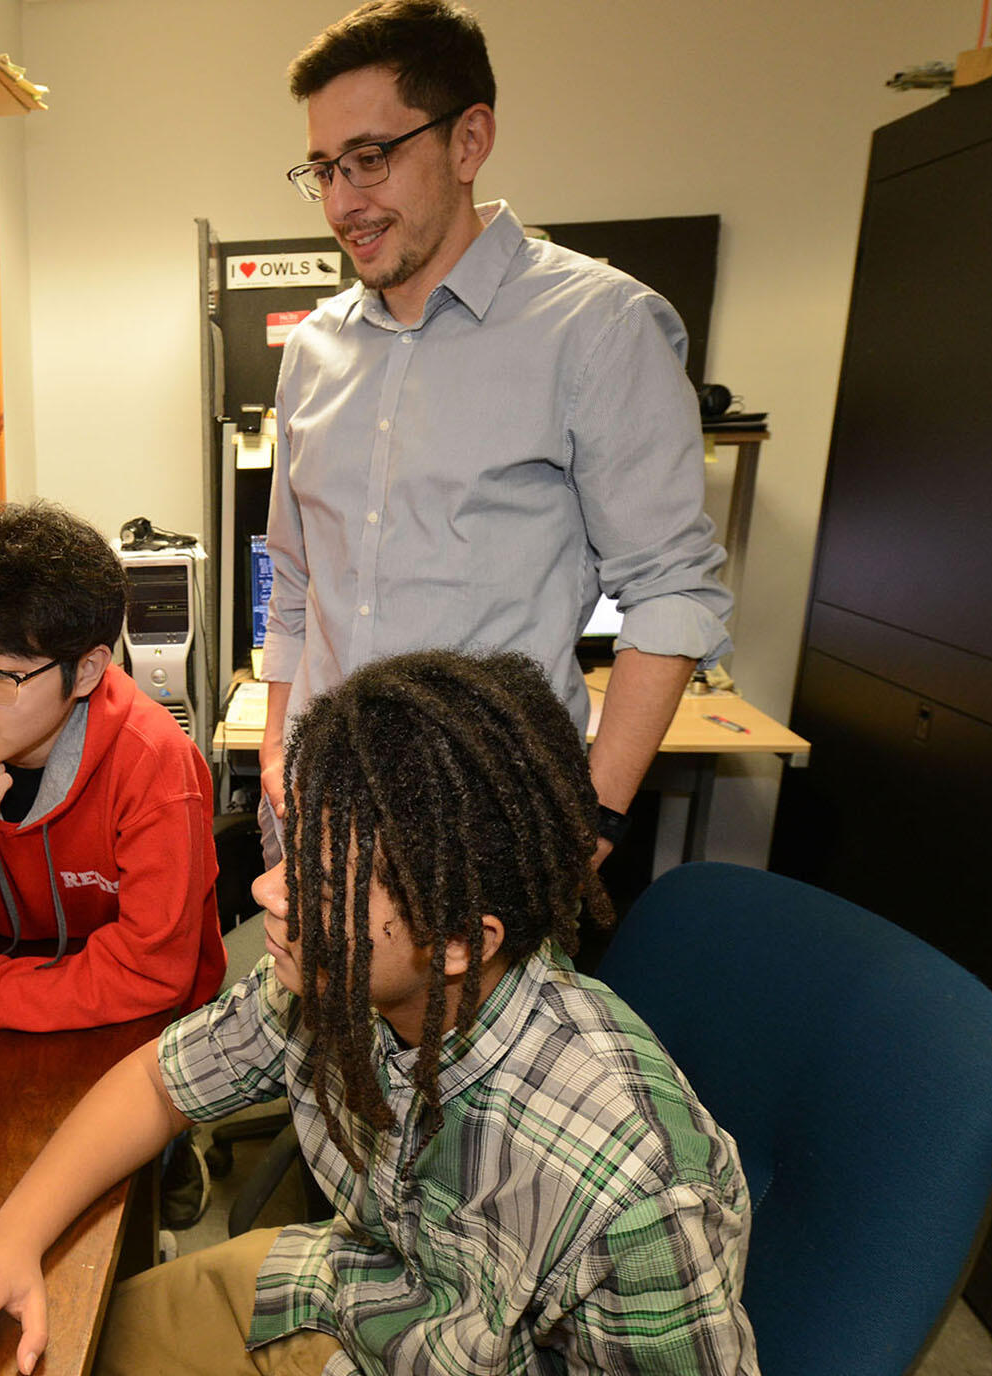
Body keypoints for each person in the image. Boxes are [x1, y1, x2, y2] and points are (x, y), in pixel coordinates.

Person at [0, 649, 761, 1376]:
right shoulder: (331, 983)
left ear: (459, 940)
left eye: (322, 887)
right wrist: (7, 1239)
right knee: (69, 1344)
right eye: (291, 852)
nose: (266, 891)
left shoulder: (638, 1193)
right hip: (359, 1290)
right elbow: (158, 1082)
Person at [259, 0, 732, 866]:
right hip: (319, 806)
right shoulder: (313, 350)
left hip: (484, 825)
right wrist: (274, 739)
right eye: (321, 168)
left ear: (469, 141)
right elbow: (296, 582)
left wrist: (597, 816)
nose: (341, 202)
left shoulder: (598, 326)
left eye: (369, 159)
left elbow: (673, 590)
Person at [0, 500, 228, 1032]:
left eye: (3, 674)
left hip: (135, 1029)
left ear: (86, 672)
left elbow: (152, 975)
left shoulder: (153, 759)